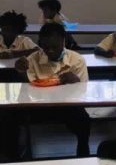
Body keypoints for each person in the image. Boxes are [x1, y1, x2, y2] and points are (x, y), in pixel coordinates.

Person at [13, 22, 91, 157]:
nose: (49, 51)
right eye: (45, 47)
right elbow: (29, 88)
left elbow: (83, 92)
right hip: (40, 106)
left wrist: (76, 82)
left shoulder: (76, 60)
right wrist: (21, 72)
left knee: (84, 119)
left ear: (63, 41)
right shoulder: (32, 59)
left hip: (68, 106)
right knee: (15, 117)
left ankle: (83, 150)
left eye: (54, 47)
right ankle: (20, 153)